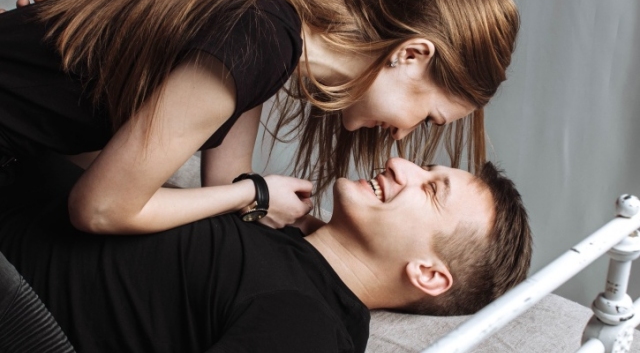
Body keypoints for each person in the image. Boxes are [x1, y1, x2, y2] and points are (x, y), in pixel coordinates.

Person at [0, 0, 520, 234]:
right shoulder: (261, 36)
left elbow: (225, 180)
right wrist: (255, 195)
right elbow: (100, 209)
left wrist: (312, 224)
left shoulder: (278, 12)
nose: (403, 137)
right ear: (412, 54)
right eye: (427, 117)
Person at [0, 153, 532, 353]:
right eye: (425, 166)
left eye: (430, 189)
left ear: (428, 275)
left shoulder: (308, 325)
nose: (399, 164)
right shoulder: (276, 233)